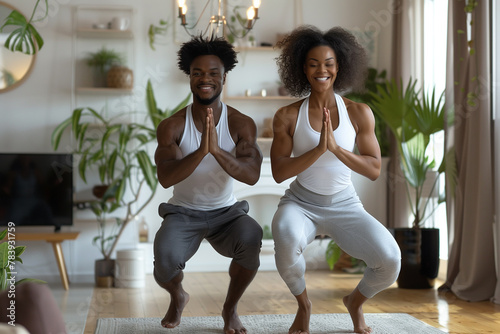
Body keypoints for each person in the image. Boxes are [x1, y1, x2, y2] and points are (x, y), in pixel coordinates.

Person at [270, 25, 401, 334]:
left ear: (339, 66)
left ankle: (355, 302)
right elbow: (279, 172)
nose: (321, 70)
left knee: (390, 261)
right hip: (301, 203)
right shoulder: (287, 116)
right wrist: (318, 149)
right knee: (285, 237)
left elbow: (373, 169)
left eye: (328, 63)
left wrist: (337, 149)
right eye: (313, 63)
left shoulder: (359, 112)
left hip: (345, 204)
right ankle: (304, 306)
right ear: (302, 68)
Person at [153, 35, 263, 334]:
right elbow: (166, 177)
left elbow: (251, 175)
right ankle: (178, 297)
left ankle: (230, 309)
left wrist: (216, 150)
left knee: (252, 235)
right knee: (164, 259)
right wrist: (202, 150)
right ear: (189, 78)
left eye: (213, 73)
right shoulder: (173, 126)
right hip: (183, 213)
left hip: (226, 213)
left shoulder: (241, 124)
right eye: (197, 73)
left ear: (224, 77)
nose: (205, 79)